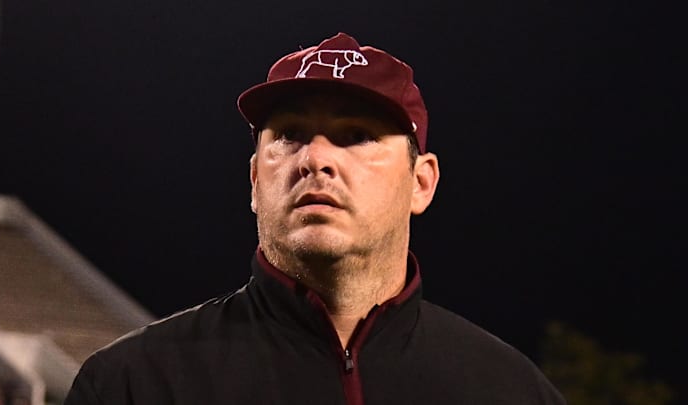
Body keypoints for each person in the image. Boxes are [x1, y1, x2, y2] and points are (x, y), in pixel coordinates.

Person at [64, 32, 566, 404]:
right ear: (257, 179)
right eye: (289, 135)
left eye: (357, 136)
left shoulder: (512, 391)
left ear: (421, 183)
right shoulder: (132, 384)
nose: (315, 158)